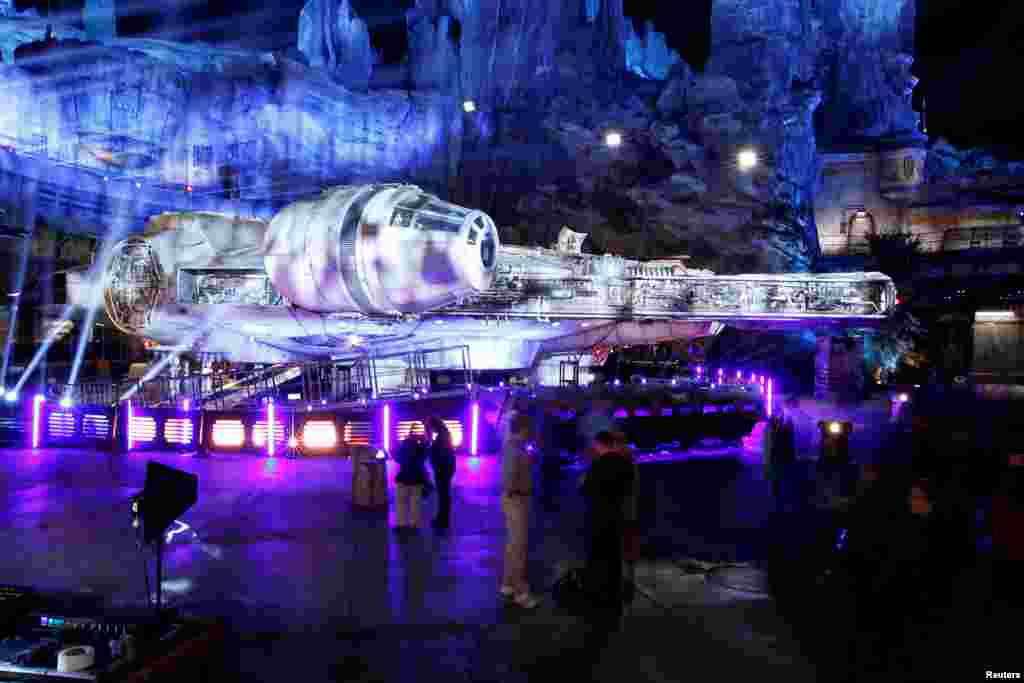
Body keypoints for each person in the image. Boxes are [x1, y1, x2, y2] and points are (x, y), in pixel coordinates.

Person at [583, 431, 635, 618]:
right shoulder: (624, 463)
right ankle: (614, 592)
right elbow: (630, 486)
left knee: (598, 554)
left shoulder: (596, 465)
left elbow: (586, 490)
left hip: (598, 516)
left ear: (599, 444)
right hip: (617, 515)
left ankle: (599, 594)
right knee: (614, 554)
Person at [500, 413, 539, 609]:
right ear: (523, 429)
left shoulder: (514, 447)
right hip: (517, 500)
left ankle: (508, 584)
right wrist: (517, 490)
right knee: (519, 548)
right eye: (529, 428)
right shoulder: (515, 447)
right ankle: (520, 592)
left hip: (514, 498)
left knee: (513, 545)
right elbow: (510, 476)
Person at [394, 430, 429, 530]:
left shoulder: (403, 449)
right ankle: (413, 523)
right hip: (417, 478)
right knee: (415, 502)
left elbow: (396, 456)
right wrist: (423, 440)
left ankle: (401, 523)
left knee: (401, 502)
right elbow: (427, 449)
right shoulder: (421, 449)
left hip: (403, 477)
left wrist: (401, 443)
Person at [427, 417, 456, 531]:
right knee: (444, 495)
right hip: (446, 468)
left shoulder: (441, 437)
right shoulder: (445, 434)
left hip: (442, 469)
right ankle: (443, 519)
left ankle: (442, 520)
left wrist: (430, 442)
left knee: (443, 495)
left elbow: (437, 453)